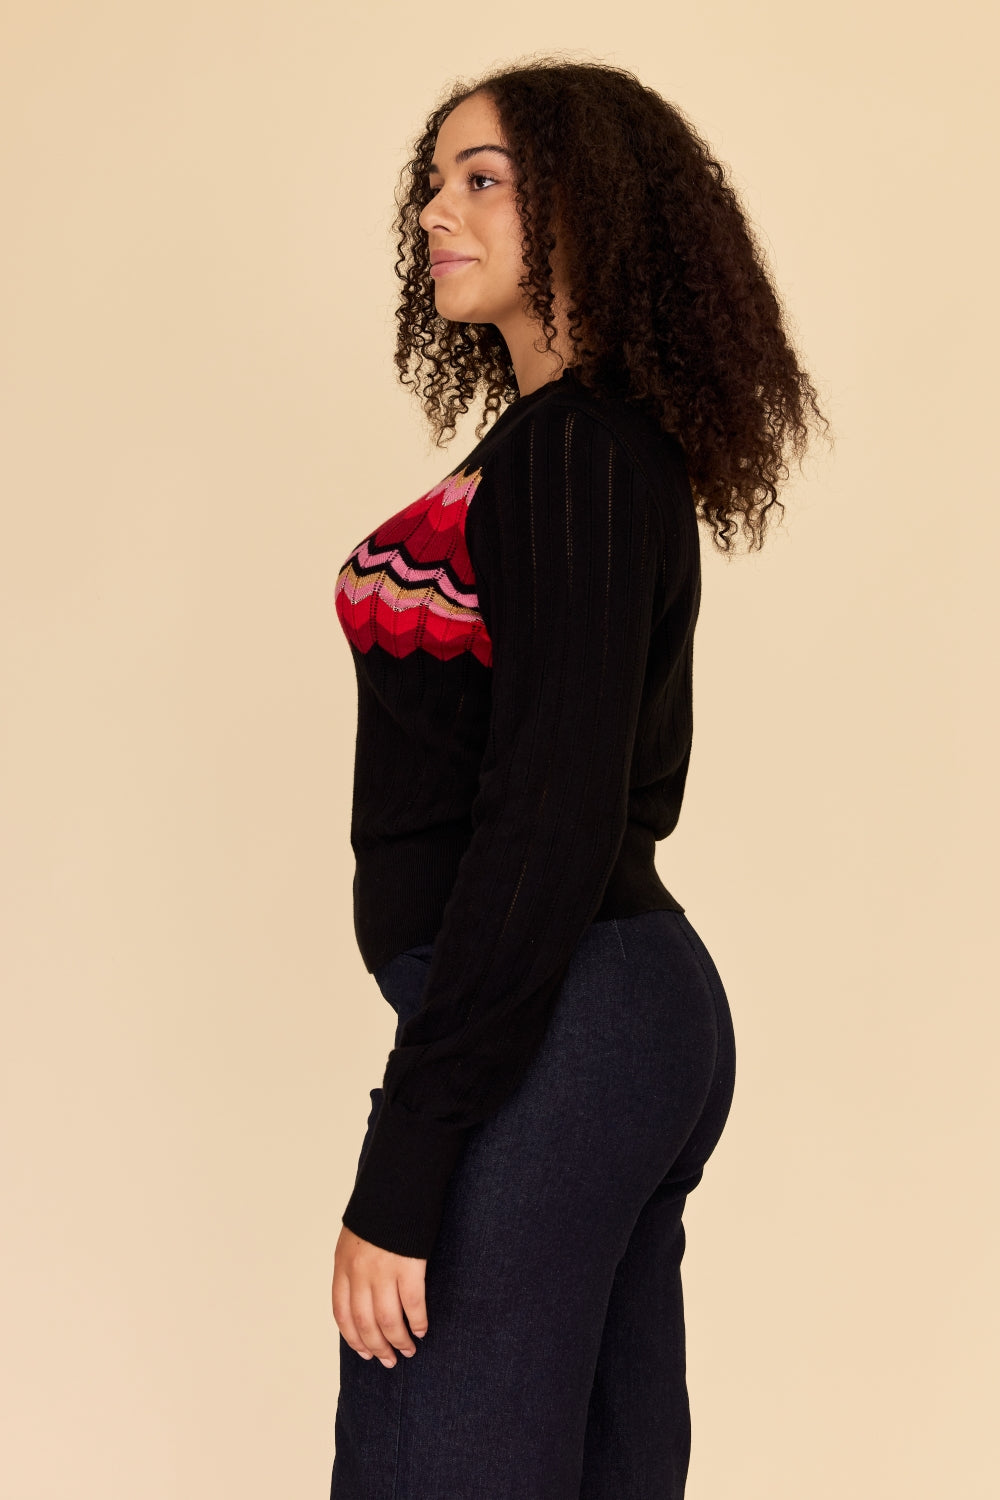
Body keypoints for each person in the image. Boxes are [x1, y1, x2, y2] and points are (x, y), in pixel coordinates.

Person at [328, 56, 830, 1500]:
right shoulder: (574, 452)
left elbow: (547, 819)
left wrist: (409, 1156)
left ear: (588, 212)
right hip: (602, 1020)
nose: (438, 210)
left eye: (483, 179)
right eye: (436, 181)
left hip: (558, 1022)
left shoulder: (578, 460)